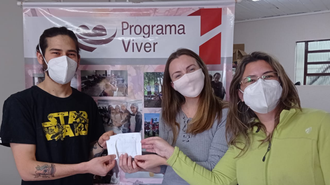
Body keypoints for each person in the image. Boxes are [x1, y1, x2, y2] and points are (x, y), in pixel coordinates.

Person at [140, 51, 330, 185]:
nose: (260, 85)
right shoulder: (243, 138)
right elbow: (218, 181)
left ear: (281, 81)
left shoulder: (320, 123)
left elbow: (212, 170)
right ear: (240, 94)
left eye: (268, 76)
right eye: (251, 80)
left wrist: (169, 158)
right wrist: (146, 165)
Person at [0, 27, 116, 185]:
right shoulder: (19, 104)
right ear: (41, 57)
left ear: (78, 60)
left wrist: (99, 146)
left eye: (71, 54)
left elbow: (85, 155)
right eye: (56, 53)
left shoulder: (86, 102)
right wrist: (84, 168)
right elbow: (27, 170)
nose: (65, 60)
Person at [119, 48, 228, 185]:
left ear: (202, 70)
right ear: (173, 85)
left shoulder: (225, 114)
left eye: (191, 69)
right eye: (178, 75)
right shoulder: (168, 115)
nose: (187, 78)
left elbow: (215, 169)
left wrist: (167, 159)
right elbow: (165, 168)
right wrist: (140, 165)